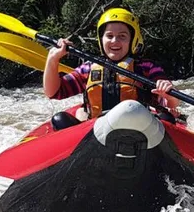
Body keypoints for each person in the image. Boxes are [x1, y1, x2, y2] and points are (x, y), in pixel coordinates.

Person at [43, 8, 180, 128]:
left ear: (132, 40)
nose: (115, 41)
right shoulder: (88, 68)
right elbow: (53, 92)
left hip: (139, 130)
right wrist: (52, 59)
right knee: (59, 120)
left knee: (167, 119)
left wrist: (168, 93)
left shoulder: (146, 68)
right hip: (97, 131)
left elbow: (171, 103)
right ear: (101, 39)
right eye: (109, 36)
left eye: (122, 36)